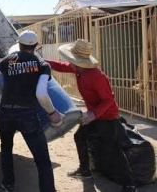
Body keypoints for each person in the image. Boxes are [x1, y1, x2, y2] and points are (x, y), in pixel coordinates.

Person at [46, 39, 136, 192]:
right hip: (93, 115)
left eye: (71, 60)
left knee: (112, 149)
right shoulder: (79, 69)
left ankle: (129, 184)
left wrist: (94, 114)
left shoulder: (96, 76)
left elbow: (109, 99)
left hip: (107, 117)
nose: (69, 62)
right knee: (79, 137)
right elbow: (61, 66)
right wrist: (43, 62)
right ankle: (85, 171)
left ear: (79, 61)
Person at [0, 30, 63, 192]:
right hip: (27, 116)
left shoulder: (8, 60)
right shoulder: (41, 65)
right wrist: (52, 113)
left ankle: (8, 184)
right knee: (42, 159)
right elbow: (41, 94)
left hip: (5, 114)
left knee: (6, 149)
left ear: (19, 45)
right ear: (35, 46)